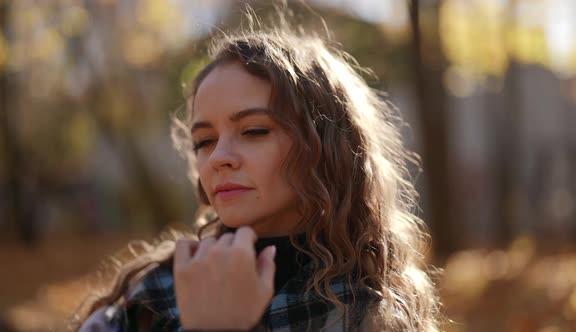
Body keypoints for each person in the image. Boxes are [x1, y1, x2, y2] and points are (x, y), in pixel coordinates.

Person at [75, 11, 440, 332]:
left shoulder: (373, 313)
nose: (219, 157)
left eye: (253, 131)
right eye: (203, 141)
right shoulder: (154, 294)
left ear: (325, 148)